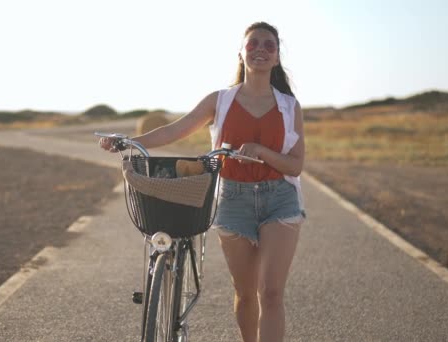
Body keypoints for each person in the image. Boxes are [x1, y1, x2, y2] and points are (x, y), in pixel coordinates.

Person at [99, 21, 305, 342]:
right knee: (246, 293)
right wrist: (128, 140)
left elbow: (296, 165)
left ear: (277, 58)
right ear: (241, 53)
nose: (261, 50)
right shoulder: (219, 101)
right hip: (232, 200)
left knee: (272, 292)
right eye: (253, 44)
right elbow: (173, 131)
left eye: (269, 45)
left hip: (279, 199)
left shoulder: (290, 107)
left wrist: (262, 151)